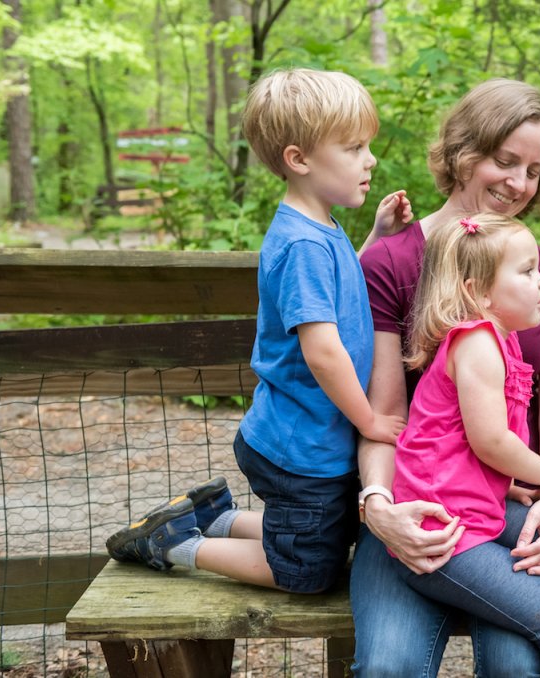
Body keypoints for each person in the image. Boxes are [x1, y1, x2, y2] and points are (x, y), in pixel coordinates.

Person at [106, 68, 412, 593]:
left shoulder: (319, 227)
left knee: (326, 538)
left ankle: (214, 518)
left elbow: (337, 293)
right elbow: (323, 354)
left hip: (310, 439)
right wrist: (370, 421)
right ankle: (174, 544)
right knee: (307, 573)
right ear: (300, 160)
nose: (370, 159)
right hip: (300, 452)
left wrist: (378, 239)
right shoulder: (302, 245)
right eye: (354, 147)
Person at [350, 79, 540, 677]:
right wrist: (379, 507)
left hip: (526, 506)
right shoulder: (393, 262)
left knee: (520, 665)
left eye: (534, 169)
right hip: (421, 507)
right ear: (463, 154)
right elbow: (384, 416)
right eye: (504, 160)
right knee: (389, 667)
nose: (518, 183)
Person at [387, 212, 540, 678]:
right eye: (526, 272)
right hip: (442, 537)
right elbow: (491, 440)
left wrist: (503, 487)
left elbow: (450, 444)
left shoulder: (502, 339)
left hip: (475, 508)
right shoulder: (477, 343)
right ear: (479, 292)